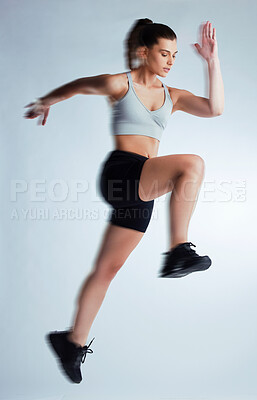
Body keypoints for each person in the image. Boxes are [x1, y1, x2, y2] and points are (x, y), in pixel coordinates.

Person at [24, 18, 224, 384]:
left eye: (175, 56)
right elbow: (78, 86)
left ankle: (72, 341)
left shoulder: (173, 95)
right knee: (191, 165)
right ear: (143, 51)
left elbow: (215, 109)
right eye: (164, 53)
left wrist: (211, 60)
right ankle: (179, 248)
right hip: (122, 172)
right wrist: (45, 101)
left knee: (107, 270)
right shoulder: (120, 83)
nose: (170, 61)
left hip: (144, 186)